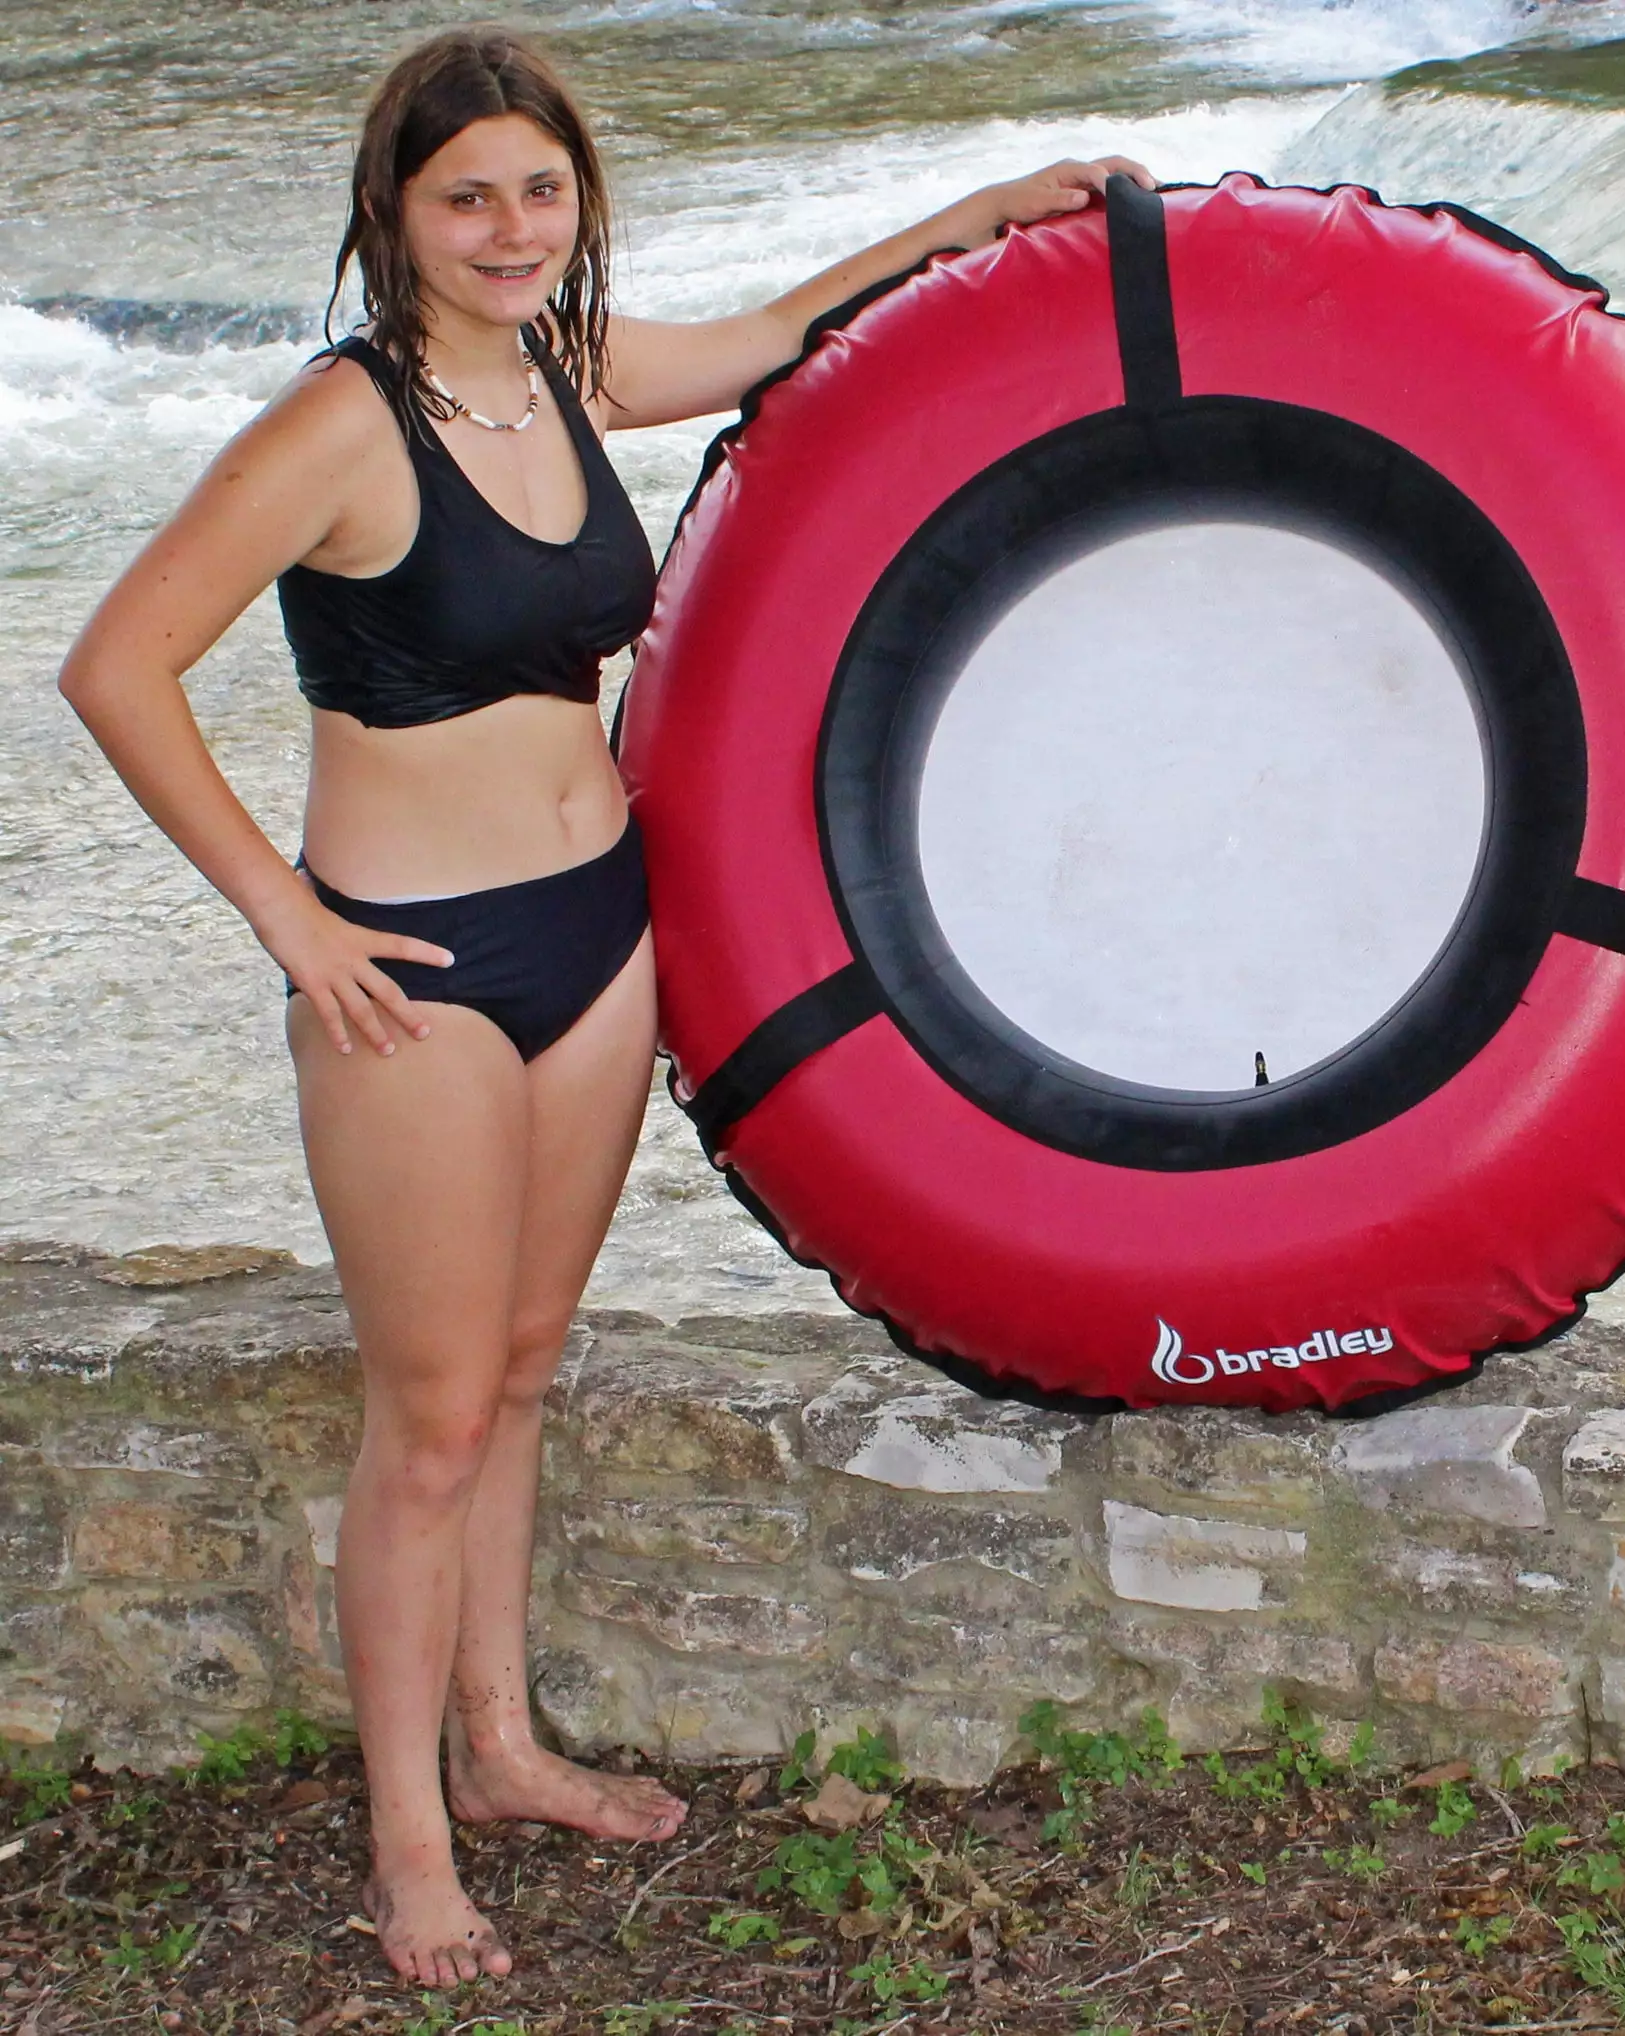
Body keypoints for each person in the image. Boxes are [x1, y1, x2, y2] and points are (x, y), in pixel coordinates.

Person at [57, 26, 1153, 1989]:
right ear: (393, 211)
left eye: (541, 191)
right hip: (412, 970)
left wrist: (988, 217)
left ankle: (500, 1747)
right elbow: (117, 665)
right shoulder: (339, 426)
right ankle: (410, 1845)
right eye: (466, 196)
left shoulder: (564, 372)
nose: (510, 228)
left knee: (525, 1362)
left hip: (593, 931)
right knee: (427, 1419)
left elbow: (787, 332)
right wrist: (286, 917)